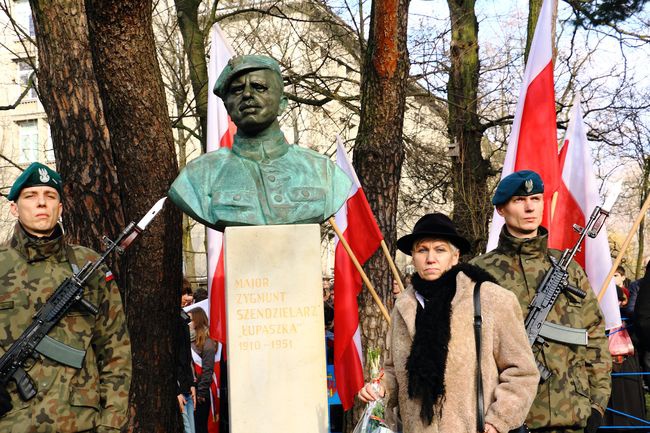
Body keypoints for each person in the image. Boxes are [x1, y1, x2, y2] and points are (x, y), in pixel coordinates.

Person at [359, 213, 539, 433]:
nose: (430, 258)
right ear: (413, 257)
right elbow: (395, 370)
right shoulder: (404, 306)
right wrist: (381, 388)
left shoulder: (491, 299)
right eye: (422, 250)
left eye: (440, 250)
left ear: (455, 257)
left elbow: (522, 372)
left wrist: (498, 420)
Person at [471, 170, 612, 433]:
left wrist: (597, 404)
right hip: (507, 420)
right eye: (519, 201)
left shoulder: (570, 270)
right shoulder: (478, 272)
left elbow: (594, 337)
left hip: (572, 416)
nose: (529, 208)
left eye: (536, 199)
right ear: (501, 209)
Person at [0, 162, 131, 431]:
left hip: (80, 424)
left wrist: (112, 424)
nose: (41, 204)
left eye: (50, 196)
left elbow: (115, 350)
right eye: (30, 196)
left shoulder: (89, 266)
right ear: (14, 207)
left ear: (60, 208)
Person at [168, 55, 352, 230]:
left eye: (259, 87)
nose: (247, 94)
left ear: (282, 104)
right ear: (227, 107)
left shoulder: (323, 171)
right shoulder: (198, 175)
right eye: (237, 90)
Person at [189, 308, 217, 433]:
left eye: (190, 319)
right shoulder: (190, 340)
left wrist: (201, 392)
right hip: (191, 390)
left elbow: (208, 369)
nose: (188, 323)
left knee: (200, 427)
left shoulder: (208, 342)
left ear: (197, 320)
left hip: (201, 393)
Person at [177, 304, 196, 433]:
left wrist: (192, 384)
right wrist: (177, 391)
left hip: (187, 388)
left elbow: (187, 358)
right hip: (180, 390)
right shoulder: (176, 321)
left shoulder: (183, 317)